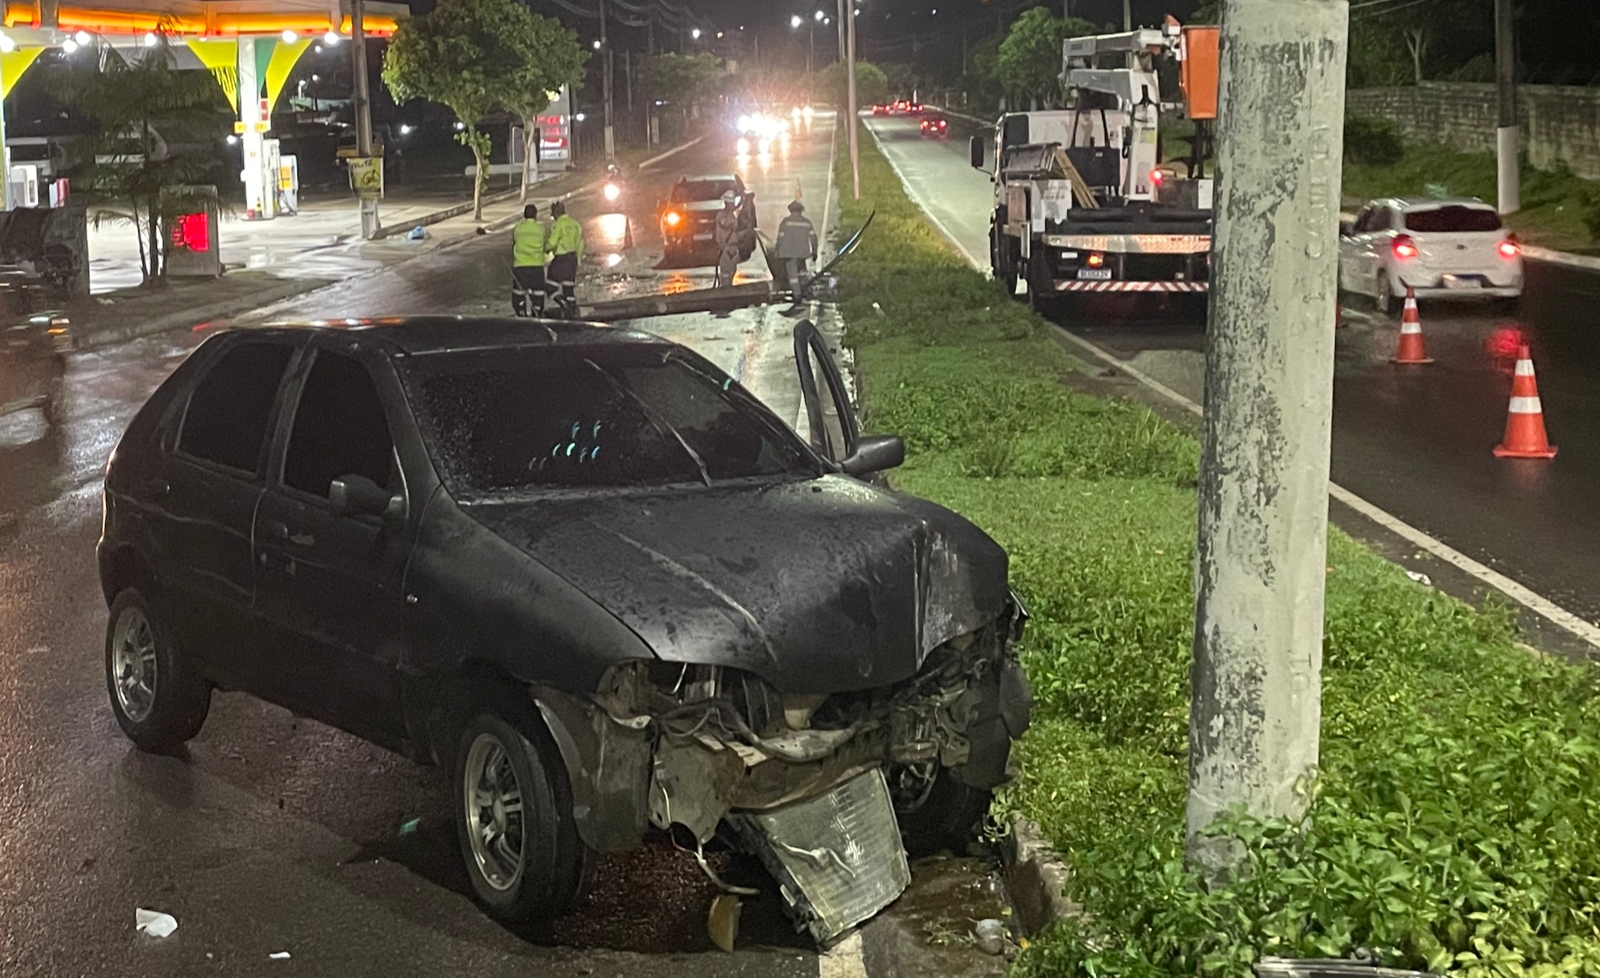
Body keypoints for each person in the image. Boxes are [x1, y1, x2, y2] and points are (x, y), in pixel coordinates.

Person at [546, 200, 584, 316]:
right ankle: (572, 310)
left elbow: (552, 243)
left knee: (550, 287)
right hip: (572, 259)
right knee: (569, 289)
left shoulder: (558, 225)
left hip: (560, 260)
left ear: (556, 214)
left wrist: (545, 248)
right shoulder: (575, 224)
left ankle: (563, 304)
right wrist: (578, 259)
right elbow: (580, 243)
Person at [510, 204, 548, 318]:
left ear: (524, 215)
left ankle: (521, 312)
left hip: (520, 266)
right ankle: (536, 314)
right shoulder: (541, 229)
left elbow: (514, 243)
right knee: (538, 293)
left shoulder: (517, 229)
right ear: (536, 215)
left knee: (519, 293)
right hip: (537, 266)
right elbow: (544, 244)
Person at [775, 200, 818, 299]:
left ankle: (797, 294)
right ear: (801, 210)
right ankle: (806, 290)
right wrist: (814, 251)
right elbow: (813, 237)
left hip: (788, 253)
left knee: (793, 276)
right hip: (803, 253)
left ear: (790, 210)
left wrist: (777, 250)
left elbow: (780, 238)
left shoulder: (786, 222)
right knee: (802, 273)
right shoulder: (807, 223)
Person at [712, 191, 743, 288]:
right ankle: (725, 290)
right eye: (731, 203)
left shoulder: (733, 216)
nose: (732, 205)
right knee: (726, 274)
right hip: (725, 249)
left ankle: (728, 288)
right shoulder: (722, 216)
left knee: (731, 272)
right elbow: (725, 225)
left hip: (733, 249)